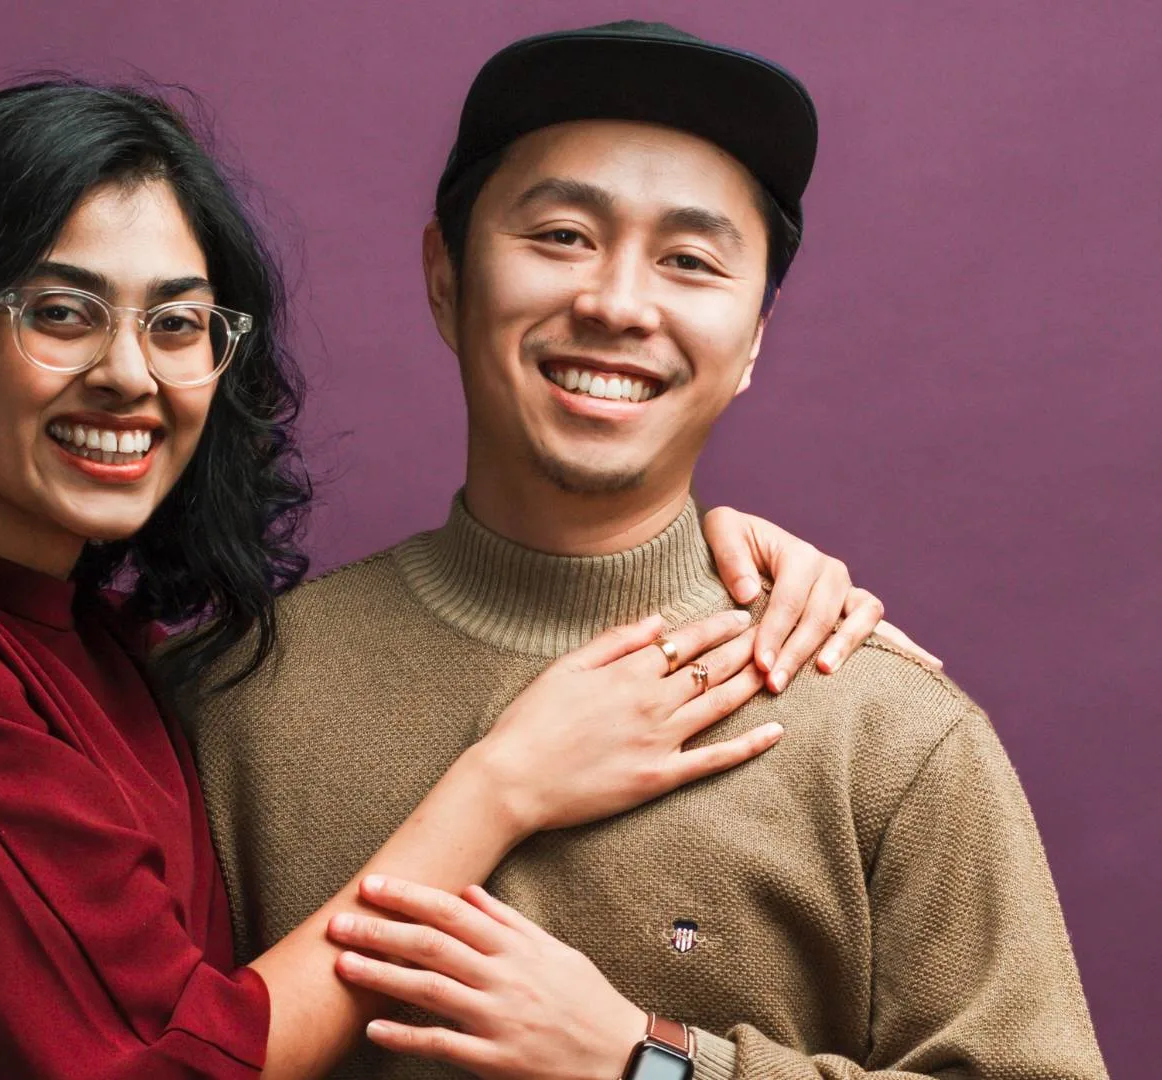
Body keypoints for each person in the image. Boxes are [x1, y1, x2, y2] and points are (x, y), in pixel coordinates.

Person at [0, 78, 921, 1078]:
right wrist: (501, 787)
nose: (131, 374)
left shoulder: (117, 658)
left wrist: (686, 554)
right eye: (59, 311)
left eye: (176, 322)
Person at [187, 22, 1109, 1080]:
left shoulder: (889, 734)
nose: (617, 303)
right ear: (446, 275)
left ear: (755, 334)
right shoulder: (228, 701)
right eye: (562, 236)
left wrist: (648, 1062)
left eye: (689, 260)